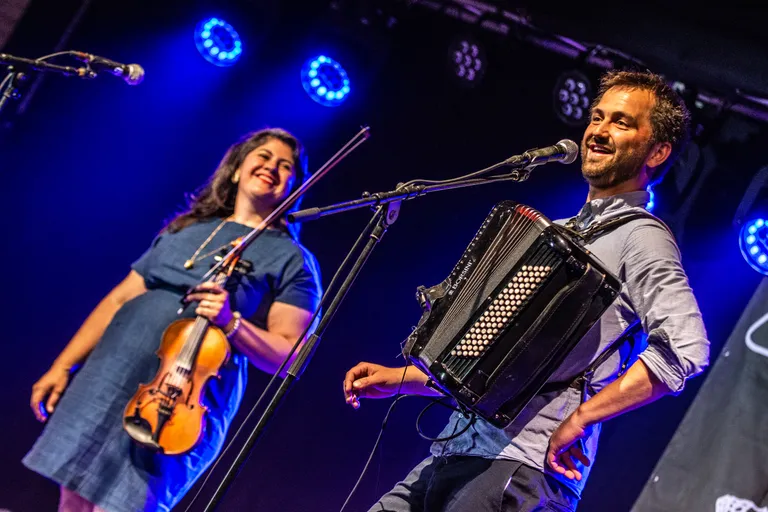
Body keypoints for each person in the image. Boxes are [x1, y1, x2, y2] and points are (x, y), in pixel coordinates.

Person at [343, 70, 710, 511]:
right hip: (454, 453)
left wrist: (583, 417)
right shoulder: (557, 234)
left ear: (659, 150)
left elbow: (686, 349)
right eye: (597, 117)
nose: (597, 131)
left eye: (621, 122)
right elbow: (494, 367)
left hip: (524, 469)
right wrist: (403, 379)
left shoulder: (643, 236)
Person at [24, 128, 322, 512]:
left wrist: (233, 322)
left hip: (179, 400)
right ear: (236, 169)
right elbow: (118, 298)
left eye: (286, 166)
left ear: (294, 186)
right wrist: (63, 365)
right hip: (109, 375)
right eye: (263, 156)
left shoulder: (293, 260)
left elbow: (289, 356)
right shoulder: (186, 229)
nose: (271, 167)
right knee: (73, 495)